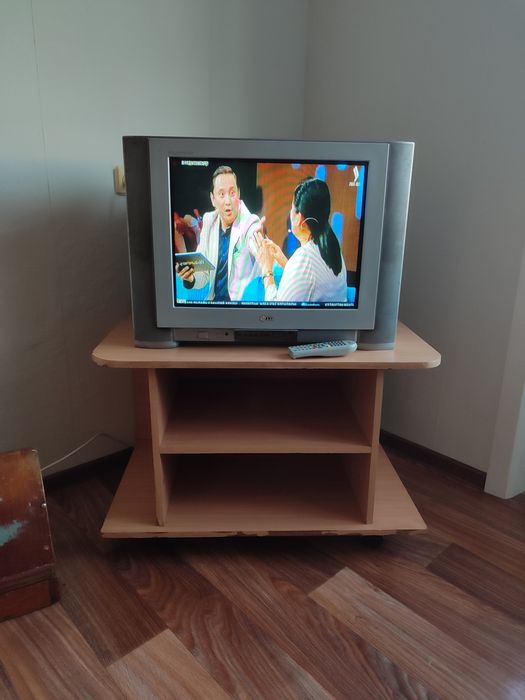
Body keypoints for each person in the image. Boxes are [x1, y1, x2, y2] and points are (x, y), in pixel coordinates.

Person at [175, 166, 261, 301]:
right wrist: (191, 278)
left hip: (241, 307)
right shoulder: (209, 221)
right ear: (213, 199)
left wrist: (260, 246)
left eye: (232, 193)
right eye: (221, 194)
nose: (228, 201)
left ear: (238, 193)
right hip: (215, 304)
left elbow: (255, 239)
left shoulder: (250, 222)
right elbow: (203, 275)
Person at [256, 177, 347, 303]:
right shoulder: (331, 246)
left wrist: (267, 271)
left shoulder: (304, 259)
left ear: (299, 217)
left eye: (292, 208)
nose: (290, 212)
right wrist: (285, 262)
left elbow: (277, 310)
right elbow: (308, 280)